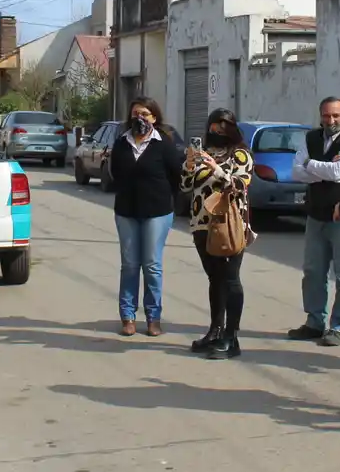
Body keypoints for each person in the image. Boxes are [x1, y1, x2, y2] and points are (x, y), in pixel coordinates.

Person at [288, 97, 340, 347]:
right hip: (316, 213)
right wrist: (320, 169)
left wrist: (311, 165)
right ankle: (314, 322)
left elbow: (339, 172)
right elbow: (296, 172)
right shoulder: (312, 138)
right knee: (313, 271)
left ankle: (339, 326)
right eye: (325, 116)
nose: (330, 121)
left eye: (335, 116)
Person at [182, 109, 254, 360]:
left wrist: (217, 170)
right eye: (215, 126)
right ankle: (215, 330)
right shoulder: (203, 153)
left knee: (231, 278)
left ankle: (231, 338)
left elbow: (240, 185)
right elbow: (183, 185)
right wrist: (190, 164)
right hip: (201, 224)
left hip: (229, 225)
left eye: (225, 126)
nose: (219, 131)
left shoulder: (240, 154)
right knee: (215, 279)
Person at [108, 97, 181, 337]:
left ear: (154, 118)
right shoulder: (121, 143)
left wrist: (160, 195)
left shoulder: (164, 144)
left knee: (151, 265)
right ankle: (128, 316)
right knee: (129, 265)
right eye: (136, 113)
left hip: (157, 213)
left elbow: (176, 177)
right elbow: (115, 173)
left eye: (145, 114)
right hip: (127, 211)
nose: (140, 118)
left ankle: (153, 317)